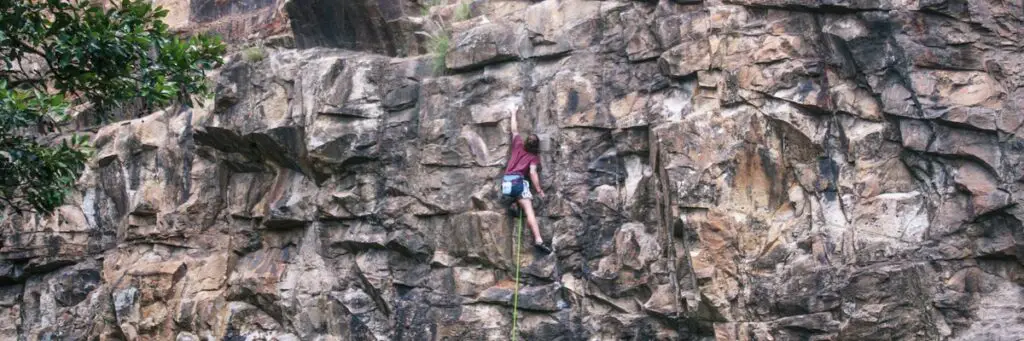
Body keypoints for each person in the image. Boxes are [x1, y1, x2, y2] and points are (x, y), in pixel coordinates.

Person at [501, 110, 551, 254]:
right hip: (517, 183)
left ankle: (515, 203)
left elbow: (514, 130)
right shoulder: (533, 157)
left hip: (506, 183)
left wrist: (513, 113)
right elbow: (533, 173)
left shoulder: (517, 145)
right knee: (529, 211)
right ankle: (538, 240)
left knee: (519, 197)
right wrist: (539, 190)